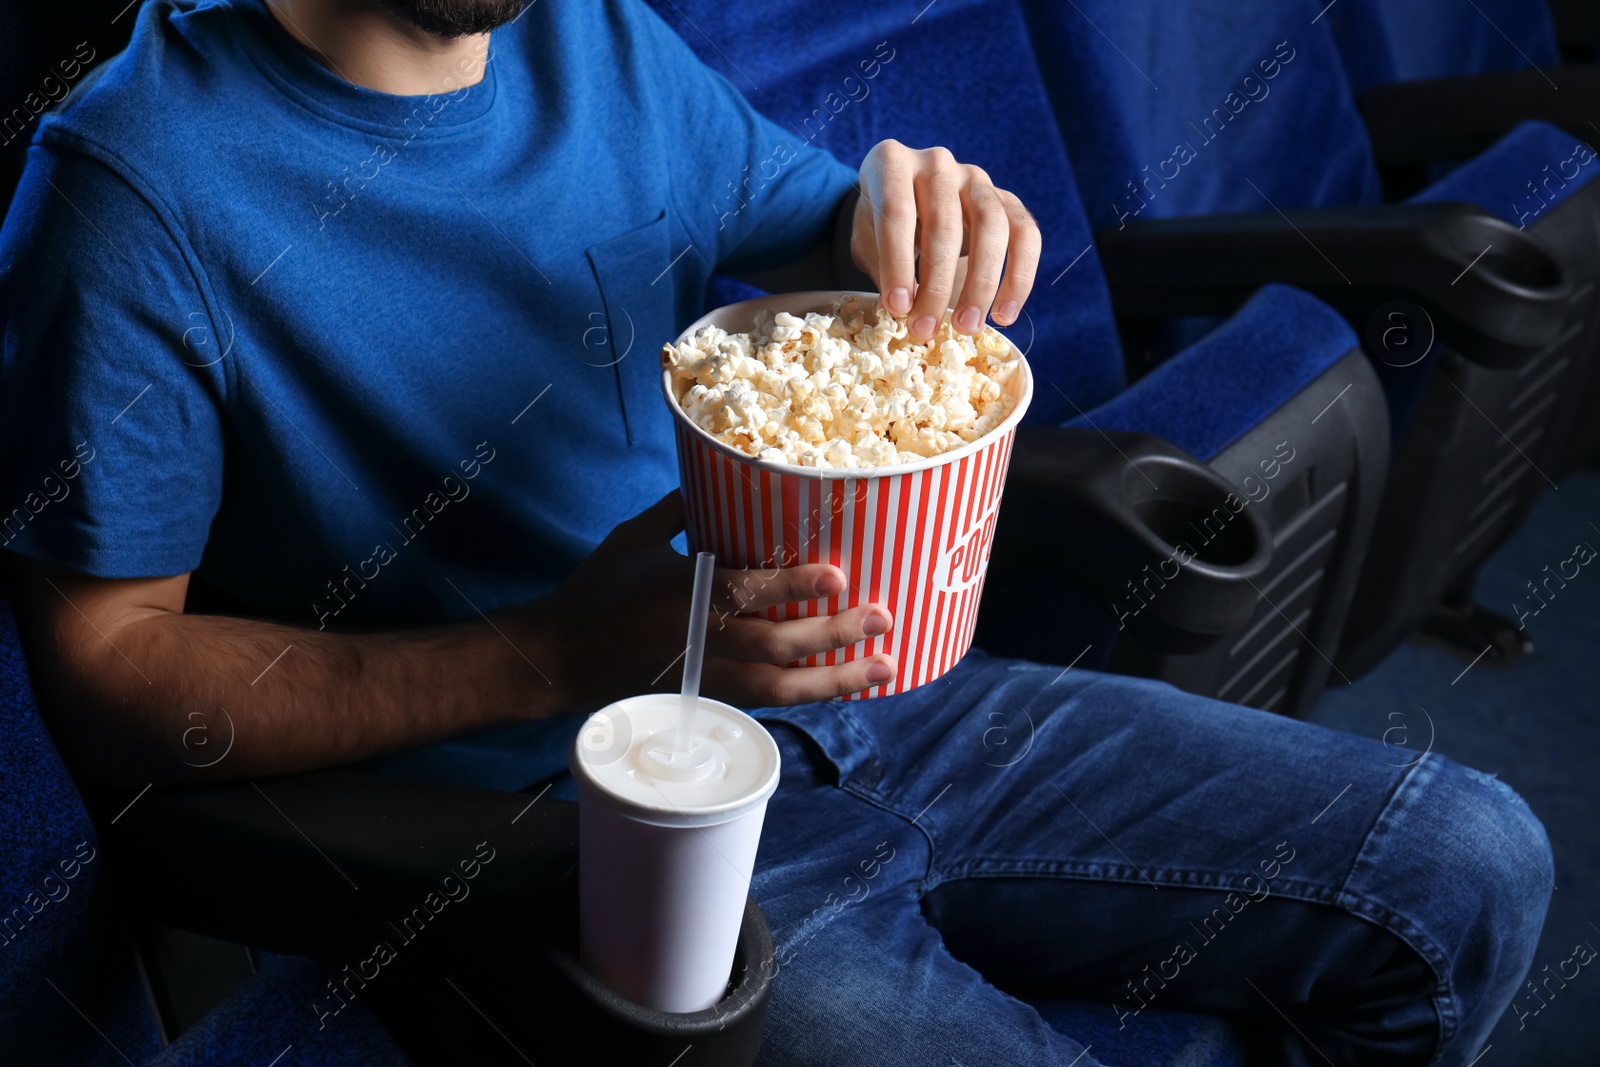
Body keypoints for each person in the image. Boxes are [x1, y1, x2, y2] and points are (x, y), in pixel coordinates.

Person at [0, 1, 1552, 1063]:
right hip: (570, 828)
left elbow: (804, 217)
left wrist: (901, 211)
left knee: (1476, 864)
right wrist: (555, 652)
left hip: (864, 688)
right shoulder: (128, 194)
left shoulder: (591, 35)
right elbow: (105, 667)